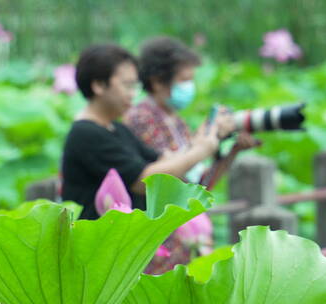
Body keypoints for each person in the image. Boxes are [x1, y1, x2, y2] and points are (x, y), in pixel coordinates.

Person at [123, 37, 258, 274]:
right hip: (160, 248)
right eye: (184, 80)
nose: (189, 87)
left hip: (187, 245)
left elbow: (197, 186)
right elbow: (163, 180)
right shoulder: (141, 119)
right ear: (157, 82)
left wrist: (229, 151)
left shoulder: (177, 121)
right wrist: (202, 146)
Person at [61, 44, 220, 220]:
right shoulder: (86, 133)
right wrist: (199, 151)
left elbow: (164, 160)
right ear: (98, 85)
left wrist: (204, 139)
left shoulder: (118, 129)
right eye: (127, 85)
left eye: (134, 86)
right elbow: (144, 181)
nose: (133, 94)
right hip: (98, 244)